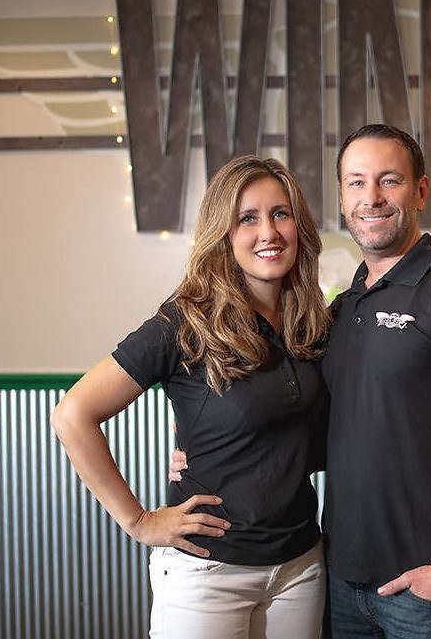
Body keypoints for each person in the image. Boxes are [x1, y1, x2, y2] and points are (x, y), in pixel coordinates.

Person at [172, 124, 431, 638]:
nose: (372, 198)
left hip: (427, 593)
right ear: (341, 197)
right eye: (356, 183)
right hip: (338, 580)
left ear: (421, 191)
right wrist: (205, 450)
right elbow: (314, 428)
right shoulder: (340, 310)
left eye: (390, 181)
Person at [51, 155, 331, 639]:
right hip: (208, 573)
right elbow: (73, 414)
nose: (269, 232)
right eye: (248, 218)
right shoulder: (186, 322)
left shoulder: (315, 322)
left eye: (280, 213)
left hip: (300, 567)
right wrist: (137, 521)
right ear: (224, 233)